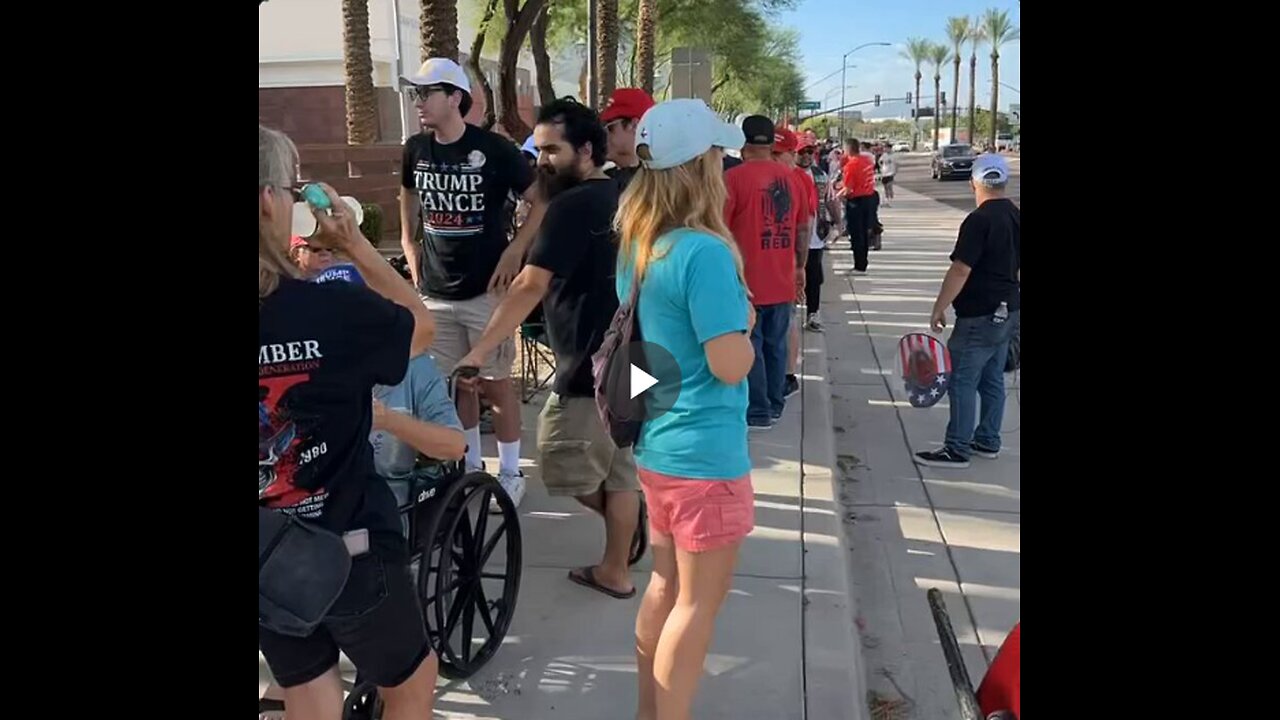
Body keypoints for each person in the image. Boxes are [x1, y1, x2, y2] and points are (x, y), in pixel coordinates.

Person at [259, 125, 439, 720]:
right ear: (269, 200)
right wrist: (356, 244)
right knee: (412, 680)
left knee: (308, 691)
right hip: (349, 547)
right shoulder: (331, 307)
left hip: (266, 554)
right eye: (289, 188)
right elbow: (422, 325)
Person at [455, 98, 646, 599]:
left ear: (586, 149)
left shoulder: (571, 205)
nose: (541, 160)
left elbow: (528, 287)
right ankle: (616, 566)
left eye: (552, 150)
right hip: (636, 354)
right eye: (537, 150)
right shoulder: (629, 192)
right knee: (621, 468)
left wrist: (479, 350)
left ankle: (633, 539)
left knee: (563, 465)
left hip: (590, 364)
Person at [617, 97, 756, 720]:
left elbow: (660, 342)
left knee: (666, 587)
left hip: (661, 446)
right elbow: (729, 363)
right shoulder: (703, 253)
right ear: (700, 165)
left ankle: (649, 711)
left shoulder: (642, 245)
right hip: (706, 456)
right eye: (718, 154)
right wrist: (747, 327)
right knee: (698, 606)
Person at [399, 57, 547, 506]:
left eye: (427, 93)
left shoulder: (495, 150)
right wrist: (409, 245)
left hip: (487, 291)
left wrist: (515, 249)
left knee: (496, 383)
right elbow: (407, 196)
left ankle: (508, 473)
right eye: (417, 94)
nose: (420, 102)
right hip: (435, 292)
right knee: (456, 386)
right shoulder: (415, 149)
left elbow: (540, 200)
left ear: (455, 98)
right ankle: (468, 469)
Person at [915, 154, 1020, 469]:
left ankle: (957, 447)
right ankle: (988, 439)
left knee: (961, 379)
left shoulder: (979, 220)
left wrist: (939, 306)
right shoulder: (1016, 215)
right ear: (1003, 181)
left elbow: (961, 269)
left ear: (973, 182)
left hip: (979, 314)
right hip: (1009, 309)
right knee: (992, 378)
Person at [725, 117, 809, 429]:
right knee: (776, 345)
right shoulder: (793, 178)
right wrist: (799, 266)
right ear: (771, 145)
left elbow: (720, 232)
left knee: (753, 345)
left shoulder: (732, 180)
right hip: (783, 278)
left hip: (747, 282)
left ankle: (757, 410)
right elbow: (803, 227)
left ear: (743, 144)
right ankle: (774, 404)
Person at [774, 129, 819, 398]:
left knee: (786, 321)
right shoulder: (800, 180)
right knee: (784, 321)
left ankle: (788, 374)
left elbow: (806, 226)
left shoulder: (800, 181)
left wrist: (800, 265)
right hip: (786, 262)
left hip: (784, 264)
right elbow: (807, 223)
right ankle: (787, 376)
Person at [796, 138, 827, 332]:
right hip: (795, 237)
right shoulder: (790, 174)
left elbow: (829, 198)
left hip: (815, 237)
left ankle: (813, 314)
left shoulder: (820, 175)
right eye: (802, 152)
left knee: (814, 278)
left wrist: (838, 221)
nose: (807, 155)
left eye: (810, 151)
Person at [600, 87, 655, 192]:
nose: (604, 134)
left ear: (635, 125)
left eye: (610, 128)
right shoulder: (602, 180)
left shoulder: (659, 184)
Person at [837, 138, 876, 273]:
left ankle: (859, 265)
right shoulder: (867, 161)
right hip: (869, 198)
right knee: (864, 233)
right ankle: (863, 262)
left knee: (856, 233)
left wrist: (835, 197)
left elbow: (848, 189)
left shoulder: (851, 165)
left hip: (856, 202)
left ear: (847, 149)